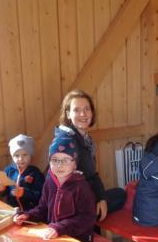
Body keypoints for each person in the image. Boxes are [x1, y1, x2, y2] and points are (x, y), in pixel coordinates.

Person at [13, 134, 97, 242]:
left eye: (65, 160)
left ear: (75, 164)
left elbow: (87, 218)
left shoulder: (81, 187)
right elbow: (43, 208)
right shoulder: (49, 182)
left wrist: (60, 228)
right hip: (54, 236)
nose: (59, 165)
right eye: (55, 160)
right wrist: (29, 216)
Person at [54, 89, 126, 221]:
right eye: (76, 110)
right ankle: (89, 218)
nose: (83, 114)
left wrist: (101, 198)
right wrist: (95, 200)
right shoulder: (66, 142)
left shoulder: (86, 139)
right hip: (72, 206)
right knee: (120, 195)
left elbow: (92, 174)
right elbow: (65, 186)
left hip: (87, 195)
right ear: (68, 114)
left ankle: (94, 214)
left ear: (92, 113)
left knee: (120, 194)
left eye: (87, 109)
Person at [0, 134, 44, 211]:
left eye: (25, 154)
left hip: (30, 212)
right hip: (12, 211)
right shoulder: (7, 171)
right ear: (12, 157)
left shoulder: (35, 173)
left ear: (30, 155)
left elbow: (41, 195)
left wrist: (24, 193)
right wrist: (0, 189)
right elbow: (0, 194)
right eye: (16, 155)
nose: (21, 158)